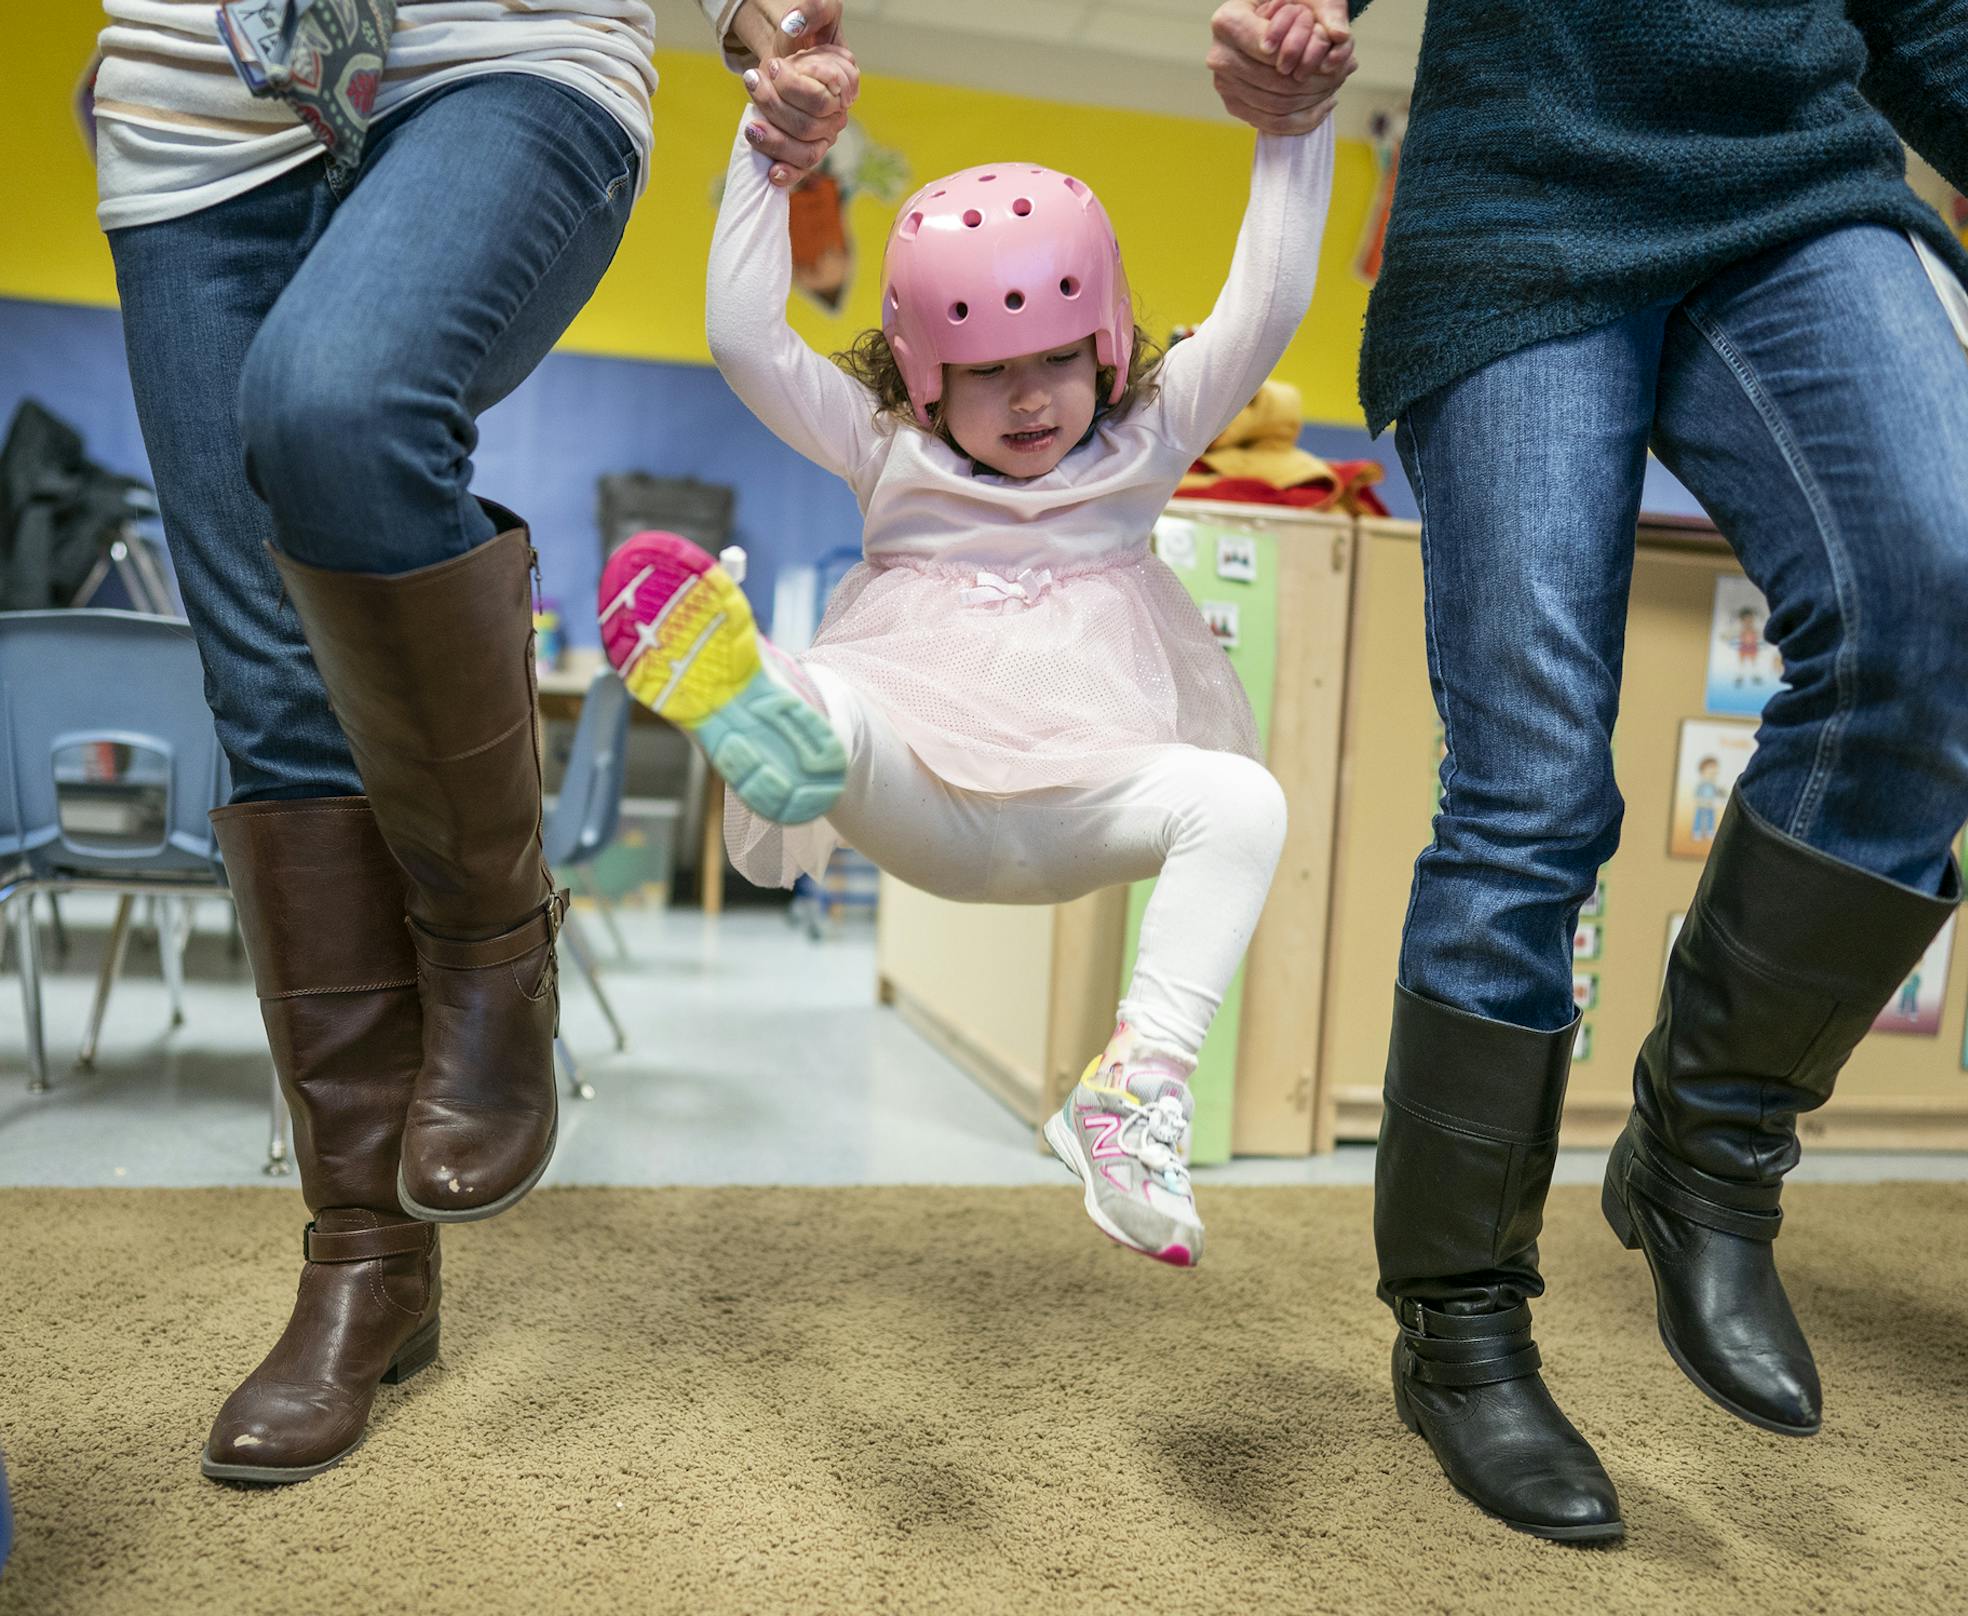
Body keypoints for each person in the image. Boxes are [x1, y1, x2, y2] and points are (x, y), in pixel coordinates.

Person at [1210, 0, 1968, 1543]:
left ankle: (1707, 1152)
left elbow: (1909, 13)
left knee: (1934, 602)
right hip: (1518, 197)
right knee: (1531, 790)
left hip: (1797, 188)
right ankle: (1459, 1333)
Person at [95, 0, 855, 1484]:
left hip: (497, 50)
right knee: (271, 685)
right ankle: (366, 1271)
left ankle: (496, 950)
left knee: (339, 403)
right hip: (193, 110)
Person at [599, 18, 1337, 1265]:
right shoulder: (886, 452)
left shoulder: (1146, 441)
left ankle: (1134, 1090)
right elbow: (742, 336)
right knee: (834, 710)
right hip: (917, 792)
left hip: (1086, 803)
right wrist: (768, 149)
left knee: (1244, 801)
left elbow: (1266, 305)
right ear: (922, 371)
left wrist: (1292, 132)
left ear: (1106, 342)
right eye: (992, 373)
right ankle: (758, 695)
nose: (1036, 397)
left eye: (1060, 357)